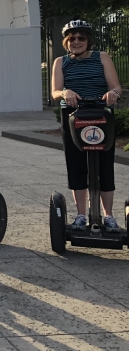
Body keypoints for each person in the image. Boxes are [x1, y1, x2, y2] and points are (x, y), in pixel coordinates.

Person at [51, 19, 123, 232]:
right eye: (71, 38)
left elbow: (116, 86)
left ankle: (108, 216)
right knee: (76, 163)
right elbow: (55, 91)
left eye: (81, 37)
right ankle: (81, 215)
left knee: (104, 164)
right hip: (73, 115)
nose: (76, 41)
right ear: (66, 41)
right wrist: (65, 92)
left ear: (88, 39)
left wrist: (113, 94)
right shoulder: (60, 61)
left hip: (101, 114)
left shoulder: (102, 57)